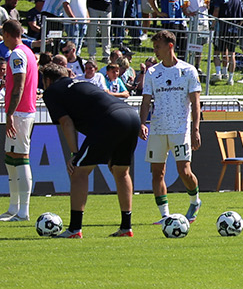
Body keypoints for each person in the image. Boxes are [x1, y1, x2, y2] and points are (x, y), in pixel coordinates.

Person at [41, 62, 141, 237]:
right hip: (131, 115)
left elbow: (66, 122)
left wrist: (74, 153)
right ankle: (126, 227)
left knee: (78, 172)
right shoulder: (81, 83)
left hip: (110, 119)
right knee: (121, 172)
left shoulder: (52, 91)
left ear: (47, 80)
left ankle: (74, 229)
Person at [140, 29, 204, 223]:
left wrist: (195, 129)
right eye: (154, 48)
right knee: (157, 173)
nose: (155, 51)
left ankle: (195, 201)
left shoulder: (188, 71)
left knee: (184, 172)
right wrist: (142, 123)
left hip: (180, 129)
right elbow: (145, 102)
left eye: (158, 47)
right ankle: (165, 215)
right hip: (158, 129)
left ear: (170, 46)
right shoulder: (152, 72)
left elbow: (196, 102)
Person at [0, 20, 37, 222]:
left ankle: (23, 210)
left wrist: (10, 113)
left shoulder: (17, 54)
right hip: (22, 111)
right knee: (11, 155)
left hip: (21, 112)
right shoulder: (27, 52)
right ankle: (13, 207)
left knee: (21, 156)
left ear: (8, 34)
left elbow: (18, 84)